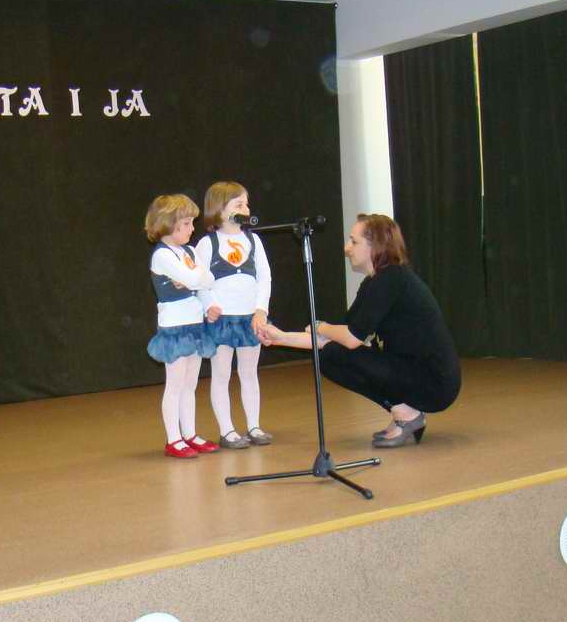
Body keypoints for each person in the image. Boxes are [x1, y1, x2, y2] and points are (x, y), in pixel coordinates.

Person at [258, 214, 460, 447]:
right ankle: (405, 412)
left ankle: (407, 415)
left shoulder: (392, 280)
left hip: (435, 382)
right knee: (329, 355)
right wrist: (280, 337)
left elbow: (351, 339)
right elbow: (336, 338)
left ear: (375, 246)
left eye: (354, 242)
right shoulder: (375, 282)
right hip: (410, 370)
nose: (346, 248)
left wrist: (321, 326)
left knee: (334, 354)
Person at [194, 181, 273, 449]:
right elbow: (199, 282)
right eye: (239, 204)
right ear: (219, 209)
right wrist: (209, 305)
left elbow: (265, 278)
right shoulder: (207, 244)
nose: (246, 209)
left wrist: (261, 310)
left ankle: (254, 425)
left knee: (249, 373)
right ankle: (227, 430)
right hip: (222, 321)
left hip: (250, 318)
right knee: (222, 374)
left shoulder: (253, 240)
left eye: (246, 204)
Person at [145, 194, 220, 459]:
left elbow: (207, 280)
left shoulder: (188, 252)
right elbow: (197, 278)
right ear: (168, 224)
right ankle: (173, 438)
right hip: (175, 328)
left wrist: (206, 298)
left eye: (191, 223)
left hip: (194, 325)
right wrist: (195, 279)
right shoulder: (162, 256)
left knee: (190, 385)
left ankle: (189, 433)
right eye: (186, 224)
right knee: (175, 385)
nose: (192, 229)